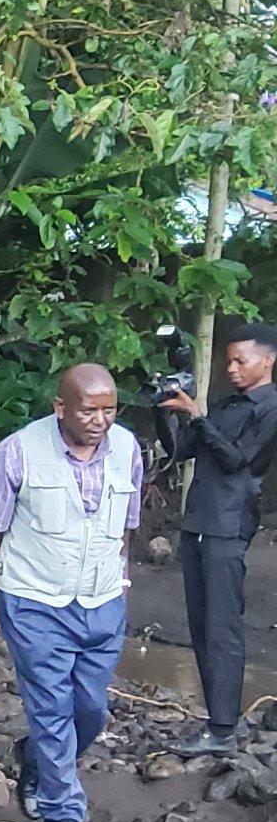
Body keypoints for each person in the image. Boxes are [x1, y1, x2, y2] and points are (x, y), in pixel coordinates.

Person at [0, 365, 140, 822]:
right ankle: (62, 813)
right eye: (88, 410)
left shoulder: (128, 448)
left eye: (109, 410)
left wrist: (122, 586)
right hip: (33, 600)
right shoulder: (19, 450)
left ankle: (36, 759)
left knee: (91, 710)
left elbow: (126, 530)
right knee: (52, 707)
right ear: (60, 407)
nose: (100, 421)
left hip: (102, 601)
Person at [157, 323, 277, 756]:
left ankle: (224, 729)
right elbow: (180, 449)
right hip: (198, 525)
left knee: (222, 628)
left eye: (240, 360)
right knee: (201, 626)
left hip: (228, 526)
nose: (232, 368)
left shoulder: (270, 407)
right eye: (228, 360)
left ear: (269, 360)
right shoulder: (229, 405)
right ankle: (217, 723)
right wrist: (165, 408)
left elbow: (236, 459)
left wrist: (197, 415)